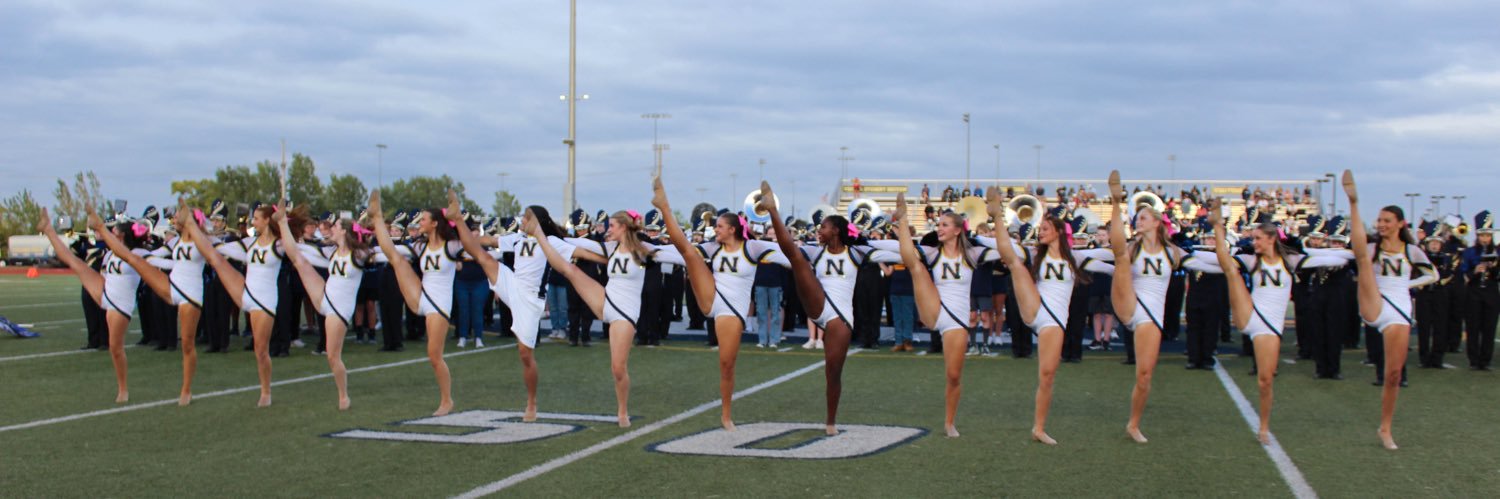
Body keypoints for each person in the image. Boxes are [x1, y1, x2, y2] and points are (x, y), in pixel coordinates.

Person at [1206, 199, 1354, 444]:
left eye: (1258, 238)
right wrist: (1219, 228)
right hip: (1250, 315)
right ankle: (1219, 225)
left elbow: (1327, 260)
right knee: (1231, 272)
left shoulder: (1290, 261)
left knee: (1265, 381)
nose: (1254, 242)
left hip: (1271, 327)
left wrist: (1348, 254)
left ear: (1271, 239)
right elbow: (1224, 260)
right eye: (1253, 238)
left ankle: (1264, 426)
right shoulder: (1253, 261)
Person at [650, 176, 792, 431]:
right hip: (711, 297)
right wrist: (648, 250)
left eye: (719, 227)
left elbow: (787, 253)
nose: (715, 230)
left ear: (732, 229)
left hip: (731, 311)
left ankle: (726, 414)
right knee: (689, 252)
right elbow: (681, 249)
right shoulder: (713, 248)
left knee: (726, 366)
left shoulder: (753, 248)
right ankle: (664, 207)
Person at [760, 181, 899, 434]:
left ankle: (830, 421)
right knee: (798, 259)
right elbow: (787, 248)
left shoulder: (856, 253)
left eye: (823, 227)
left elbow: (896, 253)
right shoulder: (815, 252)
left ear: (835, 230)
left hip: (841, 320)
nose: (818, 230)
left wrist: (904, 232)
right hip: (818, 305)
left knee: (833, 374)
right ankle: (772, 209)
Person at [975, 190, 1112, 445]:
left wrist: (1129, 268)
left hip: (1054, 322)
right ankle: (997, 215)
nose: (1041, 231)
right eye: (1041, 228)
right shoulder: (1035, 255)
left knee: (1047, 376)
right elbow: (1005, 249)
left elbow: (1109, 263)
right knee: (1014, 261)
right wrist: (997, 219)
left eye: (1046, 228)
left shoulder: (1076, 259)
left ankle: (1038, 428)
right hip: (1035, 307)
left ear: (1059, 231)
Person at [1105, 171, 1222, 444]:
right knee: (1120, 254)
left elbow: (1204, 264)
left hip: (1152, 317)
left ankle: (1133, 424)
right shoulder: (1132, 248)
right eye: (1137, 218)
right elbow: (1113, 247)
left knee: (1145, 376)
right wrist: (1116, 204)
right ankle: (1114, 200)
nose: (1139, 221)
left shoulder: (1172, 252)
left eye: (1144, 217)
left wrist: (1231, 265)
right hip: (1132, 305)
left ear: (1158, 223)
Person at [875, 192, 1004, 438]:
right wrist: (902, 222)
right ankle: (901, 219)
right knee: (916, 265)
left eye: (945, 225)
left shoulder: (973, 255)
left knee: (953, 376)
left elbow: (1006, 251)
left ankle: (949, 422)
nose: (939, 228)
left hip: (956, 321)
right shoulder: (934, 254)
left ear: (958, 230)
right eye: (939, 224)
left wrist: (996, 218)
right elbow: (907, 254)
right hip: (934, 310)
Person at [449, 194, 577, 422]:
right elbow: (484, 243)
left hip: (530, 299)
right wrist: (461, 223)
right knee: (483, 257)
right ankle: (457, 218)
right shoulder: (516, 239)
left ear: (538, 221)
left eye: (527, 218)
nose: (523, 221)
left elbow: (578, 250)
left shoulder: (551, 241)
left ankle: (531, 402)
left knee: (525, 354)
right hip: (512, 284)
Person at [530, 204, 657, 427]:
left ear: (624, 228)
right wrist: (547, 232)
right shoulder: (610, 248)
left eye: (613, 227)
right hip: (605, 300)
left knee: (618, 368)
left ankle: (622, 410)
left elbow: (680, 254)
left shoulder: (644, 250)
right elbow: (577, 243)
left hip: (625, 314)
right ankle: (540, 235)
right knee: (569, 270)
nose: (608, 230)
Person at [182, 198, 308, 408]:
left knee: (260, 350)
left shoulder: (278, 244)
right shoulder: (250, 242)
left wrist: (283, 221)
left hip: (264, 301)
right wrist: (201, 232)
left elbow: (293, 247)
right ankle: (190, 225)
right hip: (245, 292)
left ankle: (265, 390)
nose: (253, 222)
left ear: (268, 220)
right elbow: (223, 248)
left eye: (257, 219)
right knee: (216, 257)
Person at [1342, 170, 1436, 450]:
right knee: (1363, 258)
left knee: (1393, 374)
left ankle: (1385, 428)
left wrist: (1409, 285)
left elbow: (1433, 274)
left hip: (1399, 309)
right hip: (1373, 298)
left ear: (1399, 223)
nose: (1380, 224)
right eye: (1379, 220)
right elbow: (1357, 250)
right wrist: (1354, 204)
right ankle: (1354, 203)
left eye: (1386, 221)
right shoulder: (1372, 248)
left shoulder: (1411, 251)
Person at [89, 205, 209, 406]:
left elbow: (213, 252)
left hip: (191, 293)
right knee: (133, 259)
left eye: (178, 216)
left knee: (187, 344)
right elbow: (158, 258)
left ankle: (186, 390)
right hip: (173, 287)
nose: (174, 219)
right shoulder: (175, 242)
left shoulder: (201, 241)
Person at [38, 208, 149, 404]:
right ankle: (48, 231)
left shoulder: (138, 252)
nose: (112, 232)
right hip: (106, 291)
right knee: (75, 263)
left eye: (115, 230)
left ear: (123, 235)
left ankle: (123, 389)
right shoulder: (110, 251)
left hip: (120, 304)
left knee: (115, 348)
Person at [366, 192, 461, 416]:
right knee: (396, 259)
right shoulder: (420, 247)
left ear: (435, 223)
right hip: (422, 296)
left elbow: (475, 245)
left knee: (434, 355)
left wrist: (457, 215)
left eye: (425, 219)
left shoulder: (452, 246)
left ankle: (447, 400)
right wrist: (378, 223)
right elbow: (390, 250)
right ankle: (377, 216)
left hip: (439, 306)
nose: (420, 223)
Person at [274, 210, 376, 410]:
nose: (332, 228)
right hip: (324, 297)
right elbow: (295, 249)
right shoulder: (332, 252)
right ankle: (282, 224)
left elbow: (379, 253)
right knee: (299, 261)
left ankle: (343, 395)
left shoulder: (359, 254)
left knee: (332, 355)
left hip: (338, 310)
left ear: (345, 232)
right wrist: (283, 225)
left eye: (336, 226)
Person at [1461, 211, 1499, 370]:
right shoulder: (1469, 252)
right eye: (1482, 235)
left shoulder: (1497, 252)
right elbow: (1463, 277)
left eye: (1488, 235)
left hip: (1491, 292)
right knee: (1473, 327)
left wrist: (1494, 268)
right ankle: (1474, 360)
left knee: (1489, 328)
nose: (1485, 239)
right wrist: (1475, 271)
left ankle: (1486, 360)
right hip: (1474, 292)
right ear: (1477, 235)